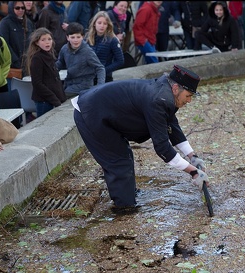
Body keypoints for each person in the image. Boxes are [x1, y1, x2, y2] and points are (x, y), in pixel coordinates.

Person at [71, 64, 210, 213]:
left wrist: (192, 156)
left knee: (124, 155)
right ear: (176, 88)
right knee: (118, 162)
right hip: (91, 113)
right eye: (188, 96)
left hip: (107, 113)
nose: (189, 101)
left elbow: (172, 127)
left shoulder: (167, 94)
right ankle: (124, 209)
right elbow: (162, 148)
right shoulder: (159, 99)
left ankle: (127, 196)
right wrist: (193, 172)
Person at [56, 22, 105, 99]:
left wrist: (100, 86)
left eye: (78, 37)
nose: (76, 40)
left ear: (82, 37)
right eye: (72, 37)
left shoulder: (87, 52)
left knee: (60, 97)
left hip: (84, 86)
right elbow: (59, 64)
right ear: (67, 37)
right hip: (68, 83)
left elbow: (100, 68)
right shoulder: (64, 49)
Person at [25, 27, 66, 117]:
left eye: (49, 39)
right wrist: (54, 99)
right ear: (37, 42)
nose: (47, 42)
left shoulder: (49, 55)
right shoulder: (37, 58)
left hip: (53, 99)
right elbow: (37, 83)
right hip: (44, 101)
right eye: (43, 40)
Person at [85, 11, 124, 83]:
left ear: (108, 25)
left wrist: (103, 70)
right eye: (99, 23)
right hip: (89, 77)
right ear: (94, 24)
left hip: (105, 77)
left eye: (105, 24)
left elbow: (120, 61)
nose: (102, 26)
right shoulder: (87, 38)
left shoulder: (112, 40)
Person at [0, 1, 35, 76]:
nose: (20, 10)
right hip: (13, 66)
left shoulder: (28, 23)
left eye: (23, 8)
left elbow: (33, 41)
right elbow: (4, 44)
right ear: (12, 8)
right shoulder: (5, 23)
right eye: (17, 8)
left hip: (28, 64)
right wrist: (15, 61)